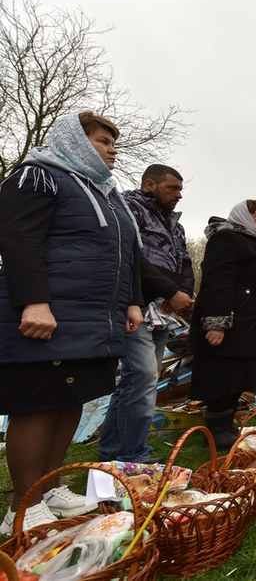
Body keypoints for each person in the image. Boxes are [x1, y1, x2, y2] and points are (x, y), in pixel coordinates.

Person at [0, 111, 143, 533]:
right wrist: (34, 302)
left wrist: (133, 303)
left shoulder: (105, 193)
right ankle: (23, 505)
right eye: (103, 141)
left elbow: (126, 254)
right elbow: (18, 239)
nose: (113, 150)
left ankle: (49, 487)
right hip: (49, 314)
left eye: (114, 143)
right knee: (38, 401)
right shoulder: (39, 176)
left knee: (70, 400)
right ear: (75, 142)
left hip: (91, 319)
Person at [99, 164, 194, 465]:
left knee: (139, 381)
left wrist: (183, 293)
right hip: (136, 306)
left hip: (164, 311)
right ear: (150, 184)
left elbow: (185, 262)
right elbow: (133, 257)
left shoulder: (175, 225)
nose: (179, 195)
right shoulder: (131, 210)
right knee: (142, 376)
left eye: (181, 190)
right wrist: (170, 290)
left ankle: (114, 451)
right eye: (173, 189)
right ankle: (133, 454)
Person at [188, 200, 256, 448]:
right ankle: (217, 428)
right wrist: (216, 323)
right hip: (230, 325)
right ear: (243, 216)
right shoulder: (226, 238)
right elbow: (217, 280)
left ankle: (227, 423)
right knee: (222, 375)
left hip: (249, 326)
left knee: (238, 376)